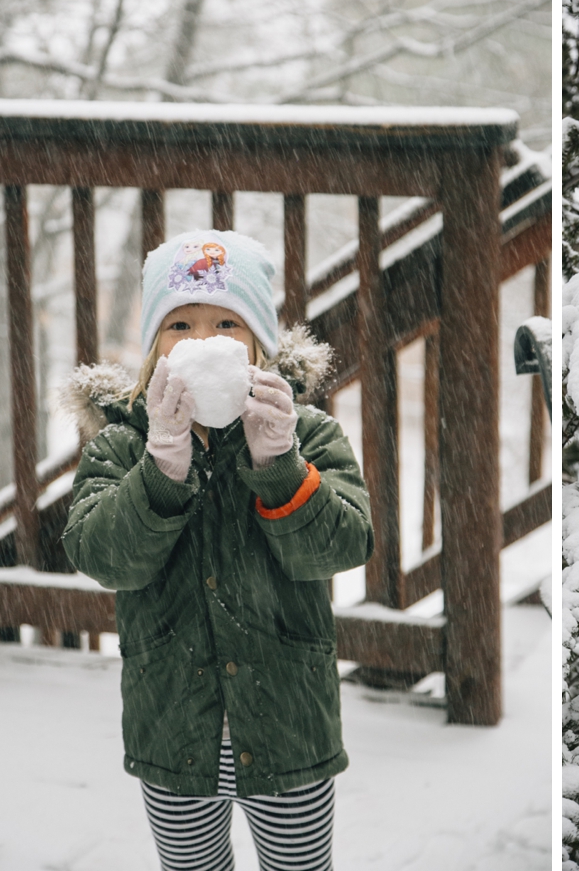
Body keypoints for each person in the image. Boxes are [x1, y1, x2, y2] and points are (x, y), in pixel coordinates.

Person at [60, 229, 372, 871]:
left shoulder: (306, 434)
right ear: (154, 347)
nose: (202, 341)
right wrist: (161, 466)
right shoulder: (122, 446)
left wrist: (281, 463)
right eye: (180, 324)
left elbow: (341, 546)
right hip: (173, 726)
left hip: (290, 723)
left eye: (226, 322)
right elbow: (103, 556)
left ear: (259, 342)